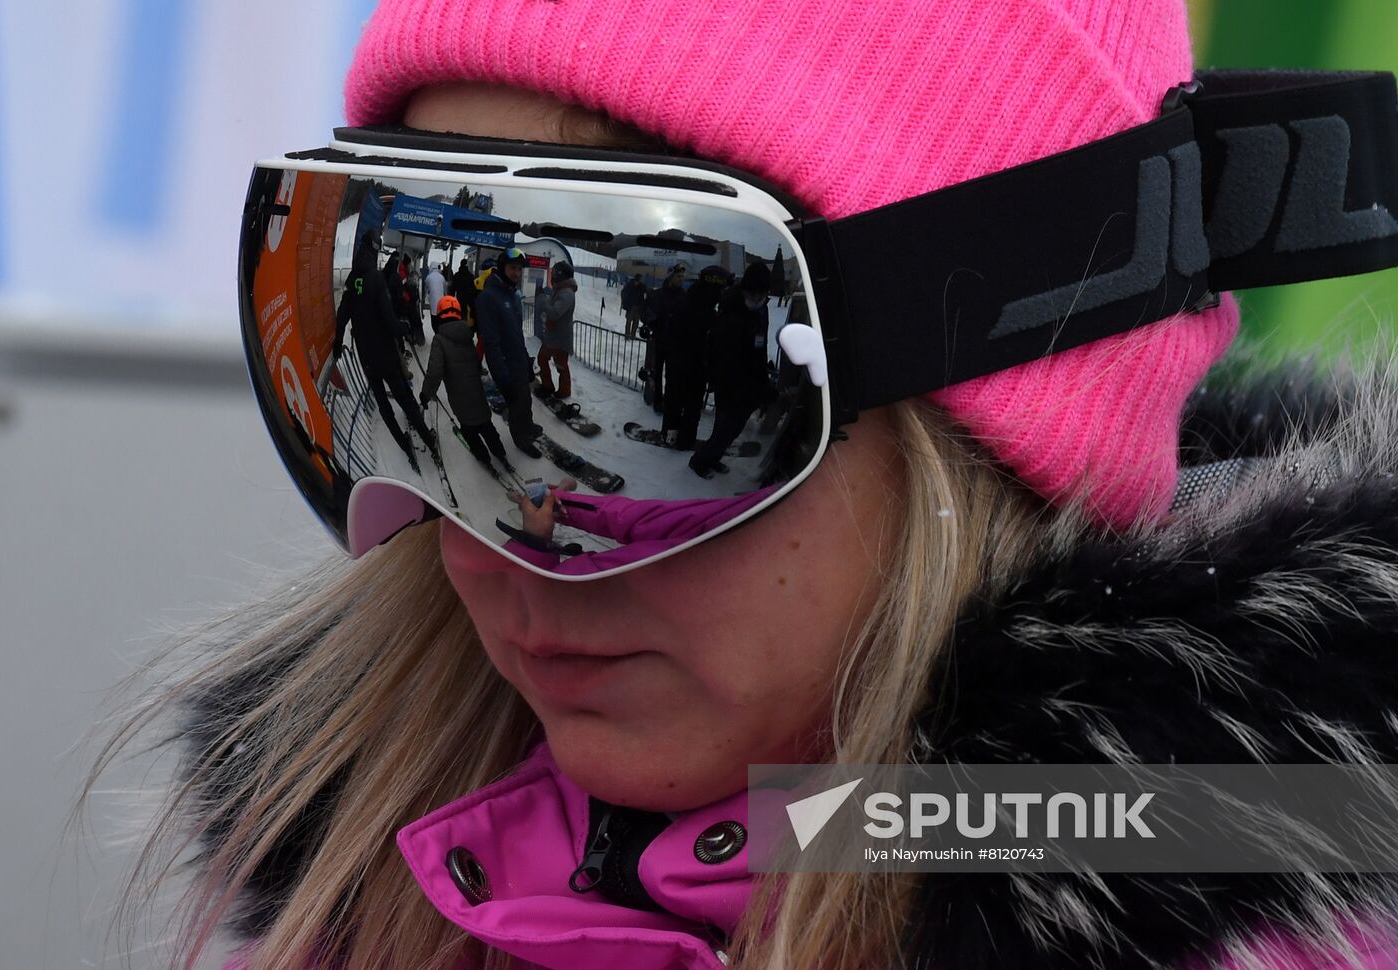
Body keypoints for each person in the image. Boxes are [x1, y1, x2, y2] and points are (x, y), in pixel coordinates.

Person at [89, 4, 1398, 970]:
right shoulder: (370, 891)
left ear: (984, 416)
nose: (480, 543)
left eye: (635, 394)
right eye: (401, 362)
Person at [333, 230, 439, 473]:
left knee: (383, 404)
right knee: (403, 398)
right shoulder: (375, 278)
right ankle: (428, 439)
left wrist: (338, 343)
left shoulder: (352, 279)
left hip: (366, 357)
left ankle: (403, 445)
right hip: (385, 353)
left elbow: (342, 316)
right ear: (374, 249)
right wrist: (405, 328)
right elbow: (390, 321)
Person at [689, 262, 771, 478]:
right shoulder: (731, 314)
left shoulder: (761, 310)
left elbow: (759, 350)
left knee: (730, 430)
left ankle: (713, 458)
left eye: (760, 295)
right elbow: (725, 357)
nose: (756, 299)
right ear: (744, 290)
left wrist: (761, 381)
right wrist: (740, 385)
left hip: (748, 385)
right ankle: (699, 462)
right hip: (731, 384)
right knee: (726, 430)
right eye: (752, 294)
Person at [419, 295, 510, 470]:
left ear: (440, 315)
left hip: (459, 398)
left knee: (469, 430)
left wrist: (426, 394)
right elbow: (476, 363)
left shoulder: (440, 340)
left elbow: (434, 373)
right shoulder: (467, 336)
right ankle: (500, 453)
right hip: (477, 393)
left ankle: (483, 457)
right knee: (486, 425)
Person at [474, 247, 542, 458]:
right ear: (502, 267)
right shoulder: (489, 297)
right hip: (506, 365)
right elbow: (491, 342)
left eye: (520, 269)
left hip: (519, 360)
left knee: (526, 399)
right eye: (513, 268)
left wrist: (526, 362)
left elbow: (516, 332)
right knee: (516, 404)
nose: (517, 273)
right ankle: (521, 439)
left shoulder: (511, 294)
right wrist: (502, 378)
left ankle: (528, 426)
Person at [662, 264, 723, 448]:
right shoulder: (707, 312)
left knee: (675, 403)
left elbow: (671, 333)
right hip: (693, 367)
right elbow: (710, 345)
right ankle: (684, 439)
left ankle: (671, 435)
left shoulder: (687, 301)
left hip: (680, 365)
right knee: (689, 406)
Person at [644, 262, 687, 415]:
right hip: (659, 341)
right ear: (670, 276)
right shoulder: (659, 294)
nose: (681, 279)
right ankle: (657, 401)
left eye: (682, 276)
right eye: (678, 276)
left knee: (672, 375)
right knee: (656, 373)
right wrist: (651, 322)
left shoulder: (684, 296)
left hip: (675, 344)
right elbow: (648, 312)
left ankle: (669, 402)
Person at [536, 261, 576, 399]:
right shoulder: (560, 290)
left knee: (561, 366)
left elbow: (554, 313)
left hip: (560, 339)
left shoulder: (567, 293)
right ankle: (548, 386)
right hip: (553, 337)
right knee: (543, 359)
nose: (552, 277)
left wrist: (541, 298)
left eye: (554, 273)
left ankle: (564, 391)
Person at [621, 272, 646, 339]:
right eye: (638, 280)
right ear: (636, 280)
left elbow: (646, 293)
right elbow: (623, 293)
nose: (639, 282)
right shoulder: (629, 285)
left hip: (638, 307)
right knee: (629, 321)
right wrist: (625, 302)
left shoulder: (642, 286)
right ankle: (627, 335)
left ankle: (633, 335)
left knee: (636, 322)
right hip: (630, 306)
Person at [424, 262, 447, 335]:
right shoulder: (442, 277)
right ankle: (440, 333)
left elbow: (426, 289)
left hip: (433, 304)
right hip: (442, 304)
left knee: (434, 320)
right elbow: (445, 290)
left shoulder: (428, 277)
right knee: (441, 320)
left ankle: (436, 333)